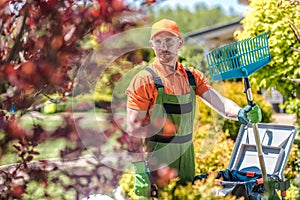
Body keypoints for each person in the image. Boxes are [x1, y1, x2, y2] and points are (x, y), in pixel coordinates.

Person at [125, 19, 262, 197]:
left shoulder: (191, 77)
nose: (163, 46)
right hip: (157, 165)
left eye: (169, 40)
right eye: (158, 41)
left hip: (187, 159)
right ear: (151, 44)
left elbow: (221, 104)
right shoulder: (144, 80)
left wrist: (242, 113)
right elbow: (133, 128)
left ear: (179, 42)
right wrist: (140, 169)